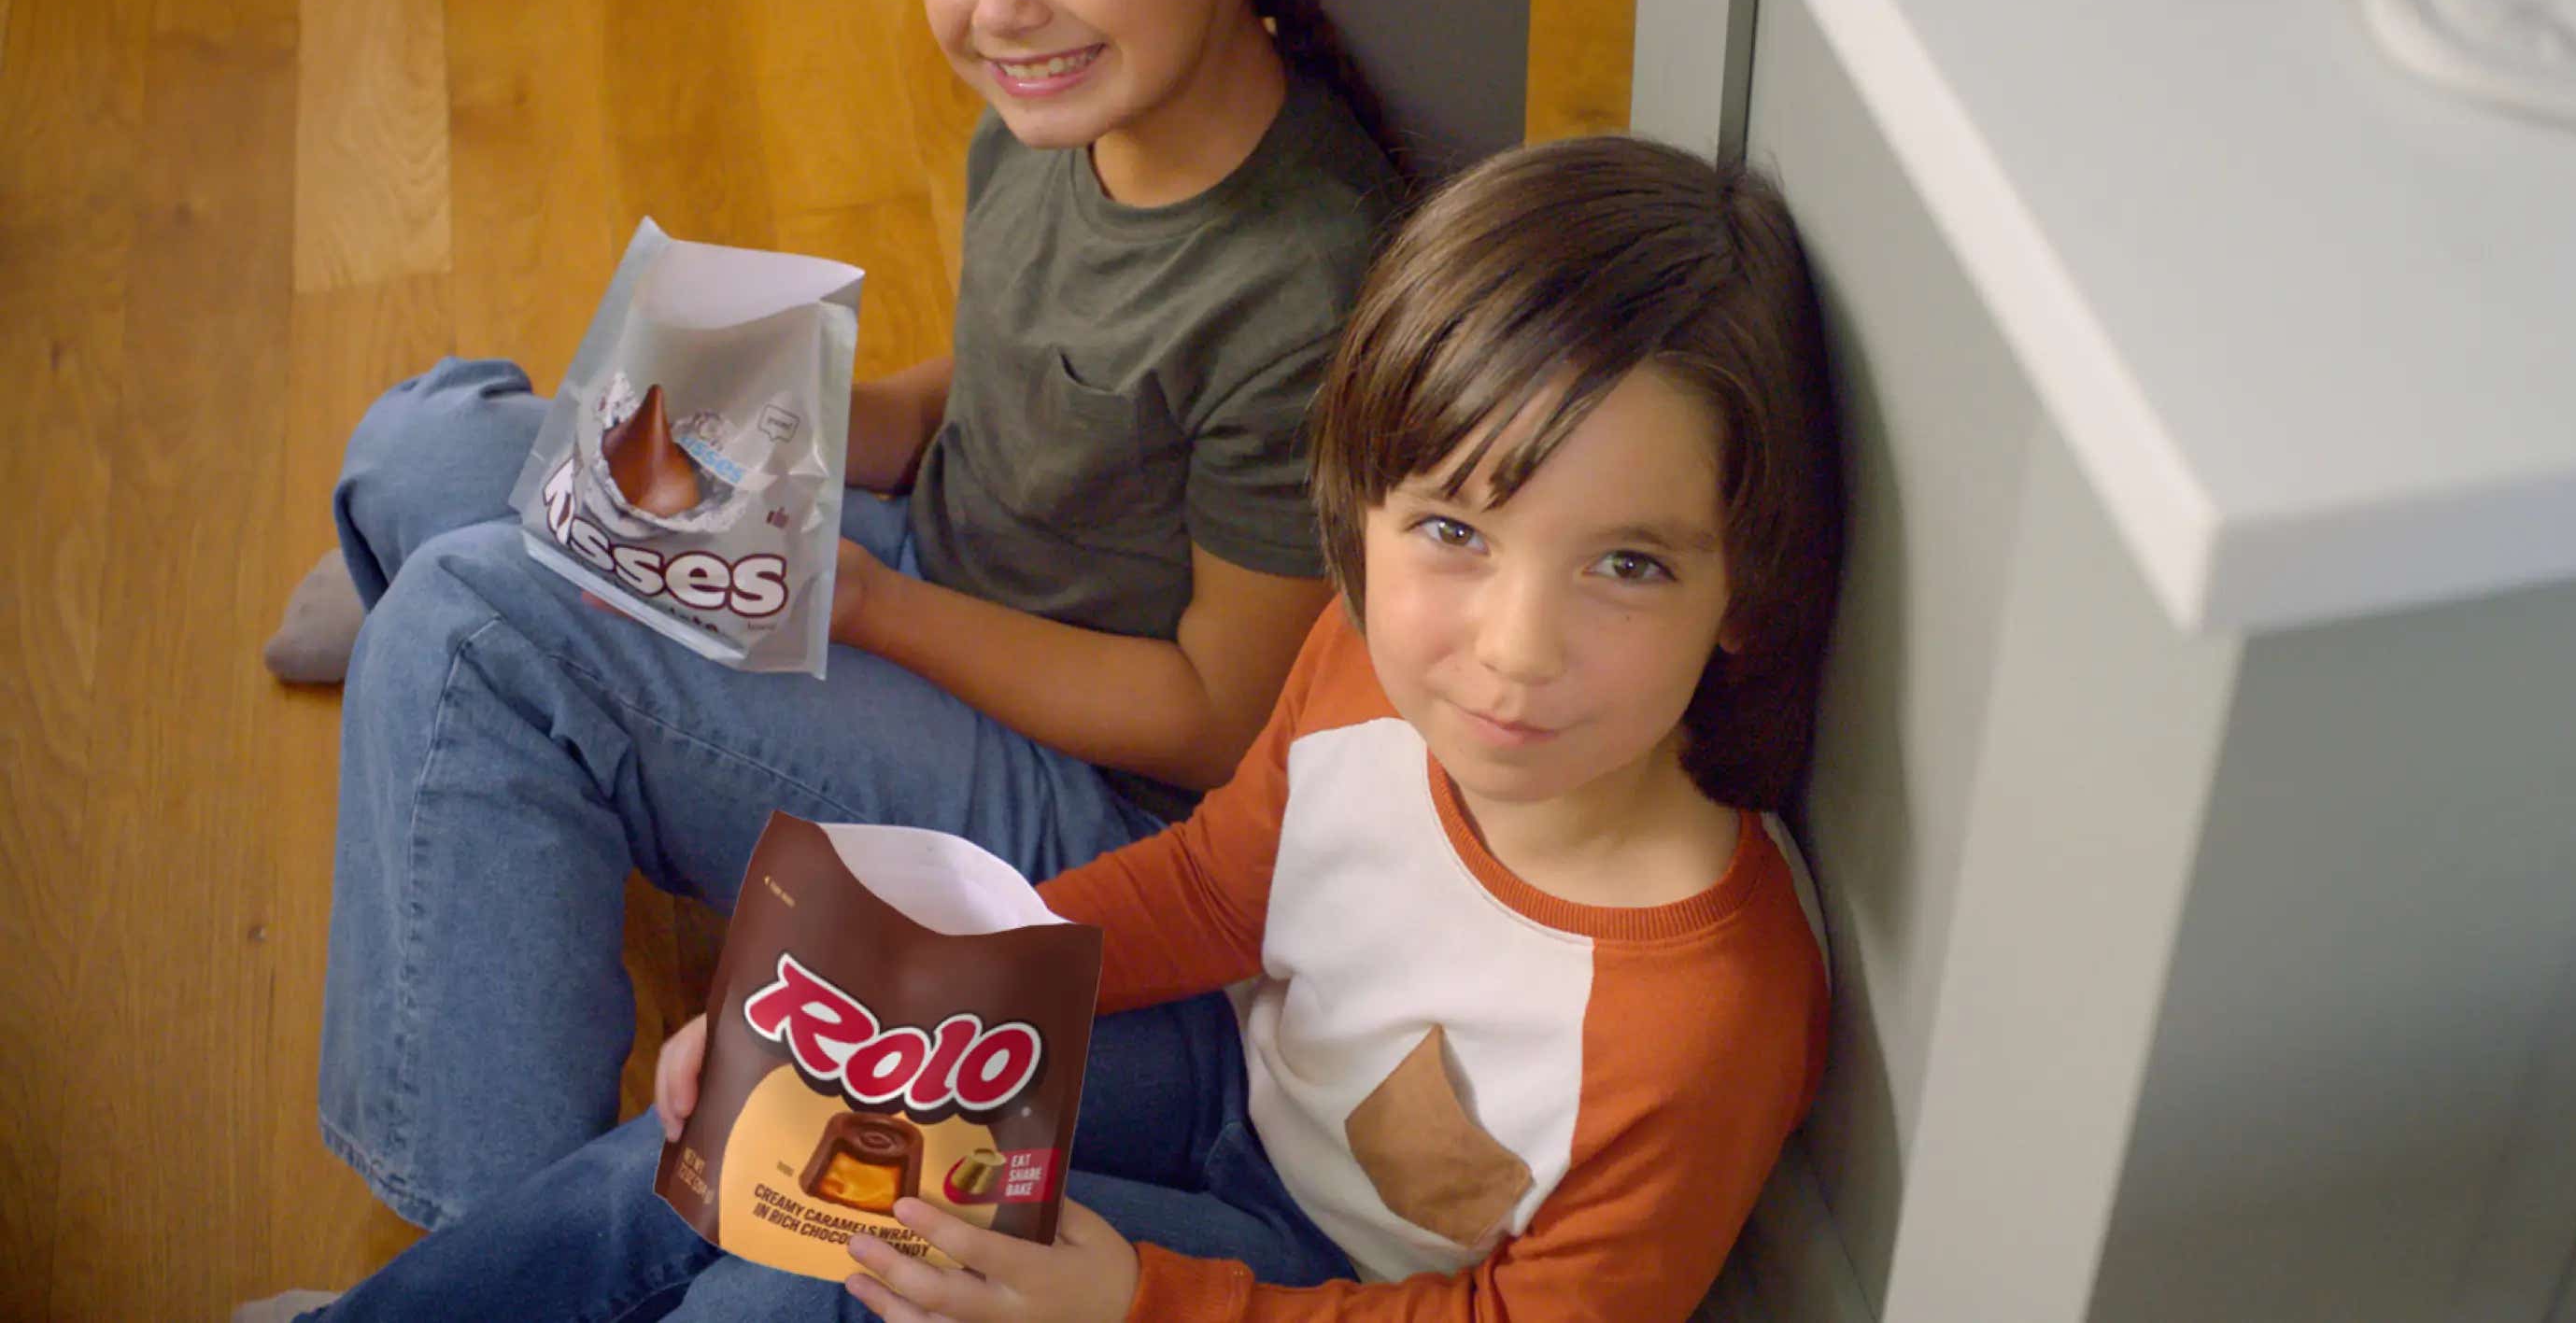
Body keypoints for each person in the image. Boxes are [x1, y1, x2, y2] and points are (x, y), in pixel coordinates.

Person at [240, 134, 1851, 1323]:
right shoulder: (1366, 662)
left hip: (1311, 1280)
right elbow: (1223, 885)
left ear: (1746, 585)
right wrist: (860, 998)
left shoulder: (1708, 1008)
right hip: (1223, 1076)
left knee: (813, 1292)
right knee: (755, 1105)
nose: (1513, 648)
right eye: (1453, 533)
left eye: (1625, 565)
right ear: (1362, 517)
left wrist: (1140, 1301)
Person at [307, 0, 1399, 1234]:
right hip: (943, 569)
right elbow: (1025, 378)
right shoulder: (1061, 116)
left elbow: (1212, 720)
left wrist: (863, 603)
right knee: (419, 445)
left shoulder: (1305, 284)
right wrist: (820, 418)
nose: (1000, 4)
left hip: (1096, 807)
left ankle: (499, 1250)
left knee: (472, 627)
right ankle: (478, 703)